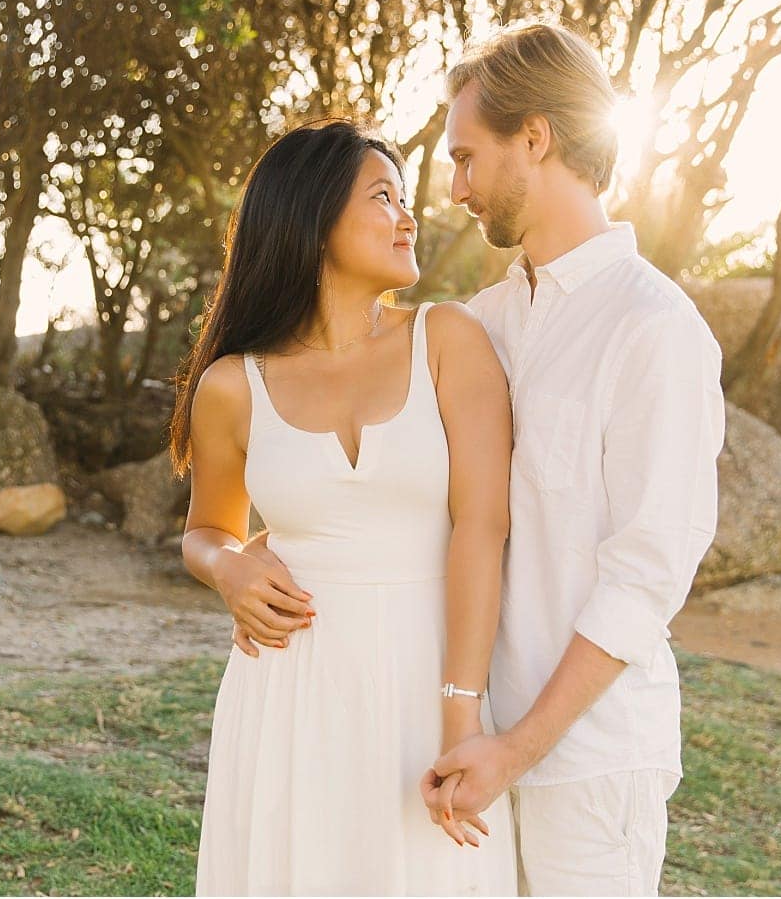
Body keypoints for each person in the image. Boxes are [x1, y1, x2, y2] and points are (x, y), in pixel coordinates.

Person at [414, 21, 727, 896]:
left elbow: (647, 575)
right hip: (469, 749)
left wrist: (516, 749)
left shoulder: (654, 328)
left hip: (588, 770)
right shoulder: (484, 322)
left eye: (467, 157)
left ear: (537, 136)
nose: (455, 187)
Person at [170, 117, 519, 896]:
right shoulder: (233, 385)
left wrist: (460, 713)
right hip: (290, 696)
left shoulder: (447, 339)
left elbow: (482, 528)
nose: (408, 215)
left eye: (405, 197)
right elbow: (206, 531)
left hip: (426, 681)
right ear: (311, 216)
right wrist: (226, 569)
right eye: (383, 196)